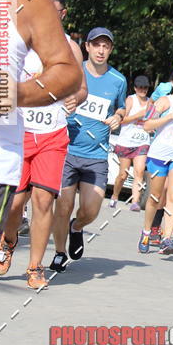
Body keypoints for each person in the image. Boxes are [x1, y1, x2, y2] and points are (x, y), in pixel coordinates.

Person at [0, 0, 80, 345]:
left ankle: (32, 263)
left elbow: (68, 73)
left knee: (42, 199)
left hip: (3, 153)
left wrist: (13, 93)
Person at [0, 0, 87, 289]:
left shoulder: (70, 49)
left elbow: (82, 89)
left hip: (53, 135)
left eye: (53, 12)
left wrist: (76, 98)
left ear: (63, 14)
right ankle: (9, 240)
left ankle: (35, 266)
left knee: (44, 201)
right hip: (20, 133)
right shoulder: (18, 40)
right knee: (15, 203)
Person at [50, 27, 127, 271]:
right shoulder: (74, 72)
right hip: (68, 149)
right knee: (63, 205)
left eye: (106, 46)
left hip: (96, 155)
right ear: (87, 47)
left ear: (111, 49)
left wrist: (118, 117)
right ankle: (59, 253)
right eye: (96, 45)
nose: (101, 50)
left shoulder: (118, 80)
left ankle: (77, 227)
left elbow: (121, 107)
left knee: (91, 210)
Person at [137, 68, 173, 255]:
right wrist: (170, 116)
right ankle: (146, 231)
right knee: (155, 197)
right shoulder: (165, 101)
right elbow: (147, 125)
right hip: (159, 155)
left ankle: (167, 238)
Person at [109, 75, 152, 211]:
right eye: (140, 88)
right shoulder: (130, 100)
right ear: (135, 88)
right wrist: (138, 115)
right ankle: (115, 196)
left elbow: (152, 122)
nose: (143, 90)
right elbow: (122, 120)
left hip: (142, 142)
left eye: (145, 88)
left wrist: (150, 126)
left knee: (139, 172)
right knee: (123, 174)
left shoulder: (151, 103)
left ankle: (135, 202)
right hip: (126, 142)